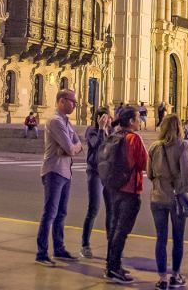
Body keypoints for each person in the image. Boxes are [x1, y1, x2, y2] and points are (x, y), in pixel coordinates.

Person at [147, 114, 188, 290]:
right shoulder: (184, 145)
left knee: (160, 238)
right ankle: (175, 276)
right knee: (178, 239)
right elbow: (185, 175)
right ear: (179, 128)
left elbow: (149, 174)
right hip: (177, 199)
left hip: (157, 197)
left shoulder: (154, 147)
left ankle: (162, 279)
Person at [36, 89, 83, 266]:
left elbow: (77, 144)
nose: (75, 105)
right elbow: (72, 149)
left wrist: (71, 148)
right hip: (54, 171)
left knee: (61, 213)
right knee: (50, 213)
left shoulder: (67, 122)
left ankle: (59, 248)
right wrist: (70, 148)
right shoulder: (55, 121)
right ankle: (41, 253)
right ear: (62, 101)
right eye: (72, 101)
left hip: (65, 171)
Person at [105, 106, 148, 284]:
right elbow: (144, 163)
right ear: (131, 121)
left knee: (114, 227)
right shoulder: (134, 138)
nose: (140, 121)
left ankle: (111, 266)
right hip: (130, 189)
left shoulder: (114, 135)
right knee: (122, 230)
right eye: (139, 118)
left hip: (114, 188)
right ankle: (114, 268)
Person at [81, 106, 112, 259]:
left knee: (111, 211)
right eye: (103, 118)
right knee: (93, 209)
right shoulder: (91, 131)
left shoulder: (111, 132)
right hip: (95, 173)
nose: (106, 120)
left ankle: (111, 246)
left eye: (107, 117)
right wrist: (100, 129)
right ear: (98, 118)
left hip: (109, 176)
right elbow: (97, 147)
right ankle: (85, 245)